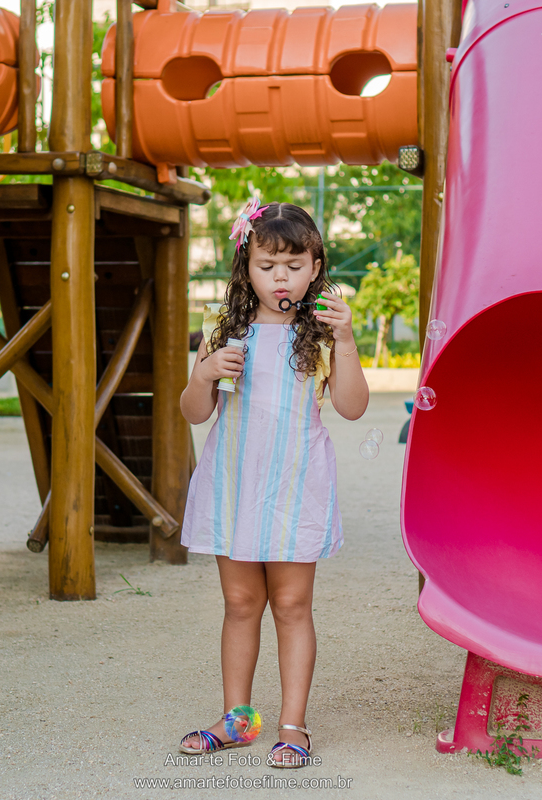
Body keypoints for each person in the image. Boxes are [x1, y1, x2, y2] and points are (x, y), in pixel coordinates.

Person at [177, 199, 369, 768]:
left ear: (315, 267)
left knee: (291, 604)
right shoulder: (225, 331)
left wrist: (350, 339)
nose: (279, 276)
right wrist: (204, 373)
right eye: (266, 265)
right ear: (247, 269)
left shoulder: (322, 333)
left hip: (292, 485)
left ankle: (292, 725)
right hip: (235, 485)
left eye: (292, 264)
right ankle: (240, 721)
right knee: (240, 603)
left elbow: (353, 408)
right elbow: (193, 412)